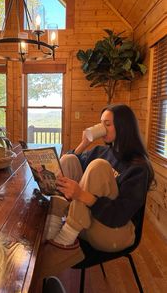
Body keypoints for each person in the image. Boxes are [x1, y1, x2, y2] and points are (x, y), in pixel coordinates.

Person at [37, 103, 154, 278]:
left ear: (123, 127)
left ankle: (65, 239)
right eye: (101, 123)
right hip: (88, 221)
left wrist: (80, 195)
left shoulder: (138, 167)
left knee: (98, 166)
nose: (102, 128)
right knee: (69, 159)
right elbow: (69, 164)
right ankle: (54, 227)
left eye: (107, 124)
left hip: (113, 231)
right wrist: (84, 143)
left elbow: (118, 216)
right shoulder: (101, 151)